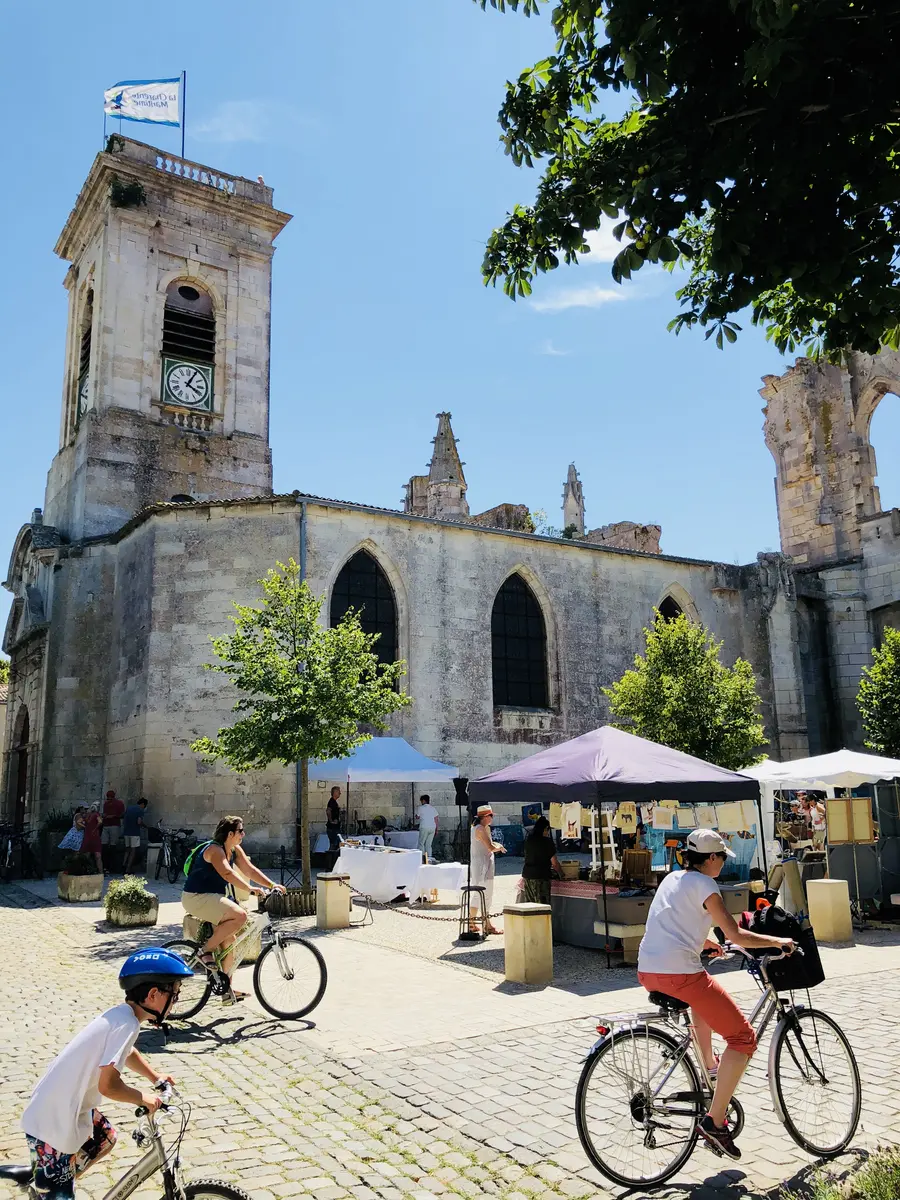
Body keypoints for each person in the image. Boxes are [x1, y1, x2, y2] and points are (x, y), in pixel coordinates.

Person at [637, 828, 796, 1161]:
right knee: (742, 1039)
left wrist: (703, 942)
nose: (723, 862)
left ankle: (710, 1065)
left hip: (648, 969)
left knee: (702, 992)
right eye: (722, 857)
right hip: (679, 974)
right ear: (711, 858)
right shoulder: (707, 885)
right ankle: (714, 1121)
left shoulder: (673, 879)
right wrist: (776, 942)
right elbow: (735, 932)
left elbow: (673, 922)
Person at [19, 948, 191, 1199]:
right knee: (60, 1192)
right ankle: (52, 1185)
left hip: (67, 1108)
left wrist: (154, 1076)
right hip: (51, 1121)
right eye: (174, 995)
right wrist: (143, 1097)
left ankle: (52, 1180)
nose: (175, 1002)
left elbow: (126, 1052)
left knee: (105, 1137)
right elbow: (108, 1086)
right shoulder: (127, 1022)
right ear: (154, 995)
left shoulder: (123, 1017)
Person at [181, 815, 285, 998]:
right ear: (230, 833)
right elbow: (227, 873)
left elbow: (250, 870)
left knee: (229, 941)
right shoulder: (214, 850)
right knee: (240, 915)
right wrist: (251, 889)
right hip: (196, 897)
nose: (243, 834)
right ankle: (204, 952)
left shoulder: (234, 850)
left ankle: (226, 990)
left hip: (213, 898)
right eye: (240, 831)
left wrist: (271, 885)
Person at [469, 804, 505, 935]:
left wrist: (497, 845)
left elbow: (487, 844)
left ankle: (485, 923)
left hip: (485, 864)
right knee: (481, 893)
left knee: (486, 894)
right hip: (482, 866)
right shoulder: (479, 829)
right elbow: (490, 847)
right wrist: (499, 847)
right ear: (486, 817)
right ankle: (473, 922)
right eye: (491, 816)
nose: (492, 818)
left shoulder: (482, 828)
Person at [516, 815, 561, 904]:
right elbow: (554, 863)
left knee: (530, 904)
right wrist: (561, 874)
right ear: (545, 829)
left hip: (528, 874)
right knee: (542, 905)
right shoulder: (547, 842)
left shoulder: (529, 840)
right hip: (541, 876)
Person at [101, 791, 125, 872]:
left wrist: (113, 816)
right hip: (110, 825)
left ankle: (109, 866)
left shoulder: (116, 803)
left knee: (110, 846)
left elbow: (122, 814)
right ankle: (108, 866)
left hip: (112, 824)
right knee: (109, 845)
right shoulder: (107, 804)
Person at [122, 798, 148, 874]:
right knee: (133, 851)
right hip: (134, 833)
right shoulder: (140, 810)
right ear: (143, 804)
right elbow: (139, 822)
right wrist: (145, 826)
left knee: (127, 850)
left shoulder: (129, 808)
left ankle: (123, 864)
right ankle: (128, 869)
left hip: (126, 832)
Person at [416, 795, 439, 863]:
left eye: (421, 801)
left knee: (421, 843)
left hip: (424, 827)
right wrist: (436, 829)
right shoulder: (433, 808)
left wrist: (417, 816)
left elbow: (417, 817)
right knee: (429, 844)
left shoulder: (420, 808)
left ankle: (423, 859)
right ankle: (429, 858)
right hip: (432, 827)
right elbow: (436, 819)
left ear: (423, 800)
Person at [81, 804, 103, 874]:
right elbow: (100, 822)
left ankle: (86, 871)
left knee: (87, 855)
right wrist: (96, 828)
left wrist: (85, 827)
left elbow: (79, 821)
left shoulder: (86, 816)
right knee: (98, 856)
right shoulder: (96, 814)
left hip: (87, 836)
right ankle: (100, 872)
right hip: (95, 836)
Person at [326, 787, 342, 868]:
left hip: (335, 828)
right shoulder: (332, 802)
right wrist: (331, 820)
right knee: (333, 845)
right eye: (339, 792)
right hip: (333, 828)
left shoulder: (334, 802)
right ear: (335, 792)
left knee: (335, 846)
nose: (340, 793)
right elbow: (328, 811)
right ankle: (330, 866)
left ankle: (332, 865)